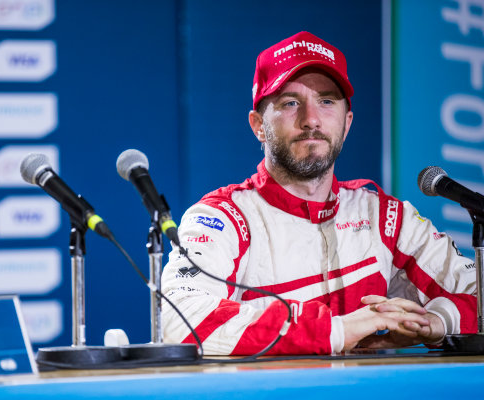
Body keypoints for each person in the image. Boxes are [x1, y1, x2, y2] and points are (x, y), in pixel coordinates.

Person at [161, 31, 477, 355]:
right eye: (290, 103)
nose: (311, 119)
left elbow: (475, 291)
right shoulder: (222, 218)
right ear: (258, 125)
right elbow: (178, 322)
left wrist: (440, 322)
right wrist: (337, 330)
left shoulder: (385, 218)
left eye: (326, 101)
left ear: (347, 122)